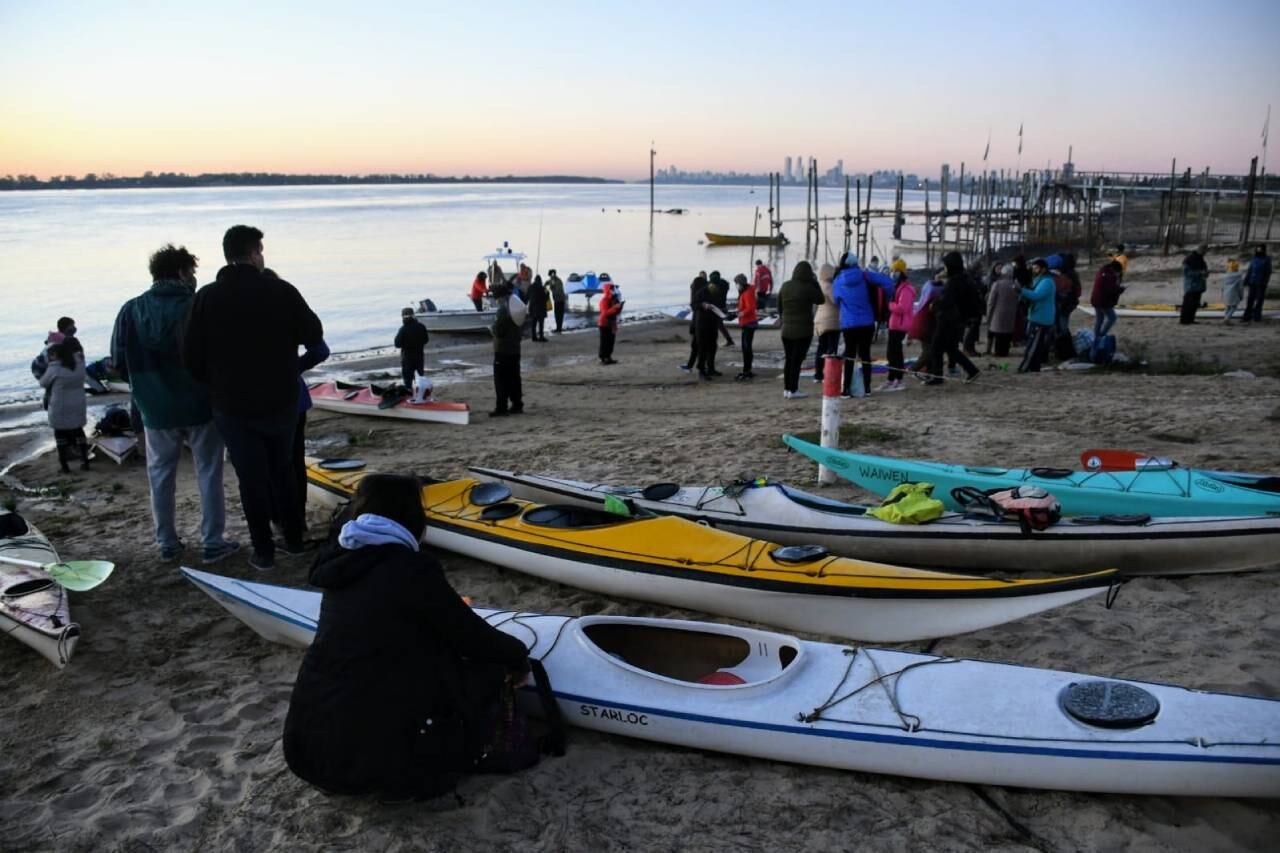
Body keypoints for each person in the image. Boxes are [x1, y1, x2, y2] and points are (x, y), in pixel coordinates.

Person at [282, 474, 538, 801]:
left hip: (308, 753)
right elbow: (472, 637)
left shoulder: (341, 561)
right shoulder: (410, 569)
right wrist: (517, 657)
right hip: (380, 768)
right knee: (482, 671)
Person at [182, 225, 325, 571]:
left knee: (251, 478)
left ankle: (263, 551)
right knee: (283, 472)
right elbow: (315, 336)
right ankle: (292, 539)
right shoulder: (281, 291)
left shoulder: (206, 297)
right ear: (254, 253)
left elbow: (189, 356)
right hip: (280, 399)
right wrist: (291, 367)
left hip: (232, 405)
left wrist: (216, 383)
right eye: (261, 251)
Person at [110, 243, 239, 563]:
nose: (195, 277)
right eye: (192, 271)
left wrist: (143, 388)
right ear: (182, 272)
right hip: (201, 403)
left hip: (155, 407)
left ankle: (167, 542)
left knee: (160, 475)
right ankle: (212, 541)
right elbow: (222, 355)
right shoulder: (198, 305)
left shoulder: (131, 309)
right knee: (209, 472)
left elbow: (117, 360)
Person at [833, 253, 894, 397]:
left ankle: (846, 389)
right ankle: (867, 388)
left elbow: (836, 301)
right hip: (867, 322)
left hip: (849, 323)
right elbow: (888, 283)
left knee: (849, 355)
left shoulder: (837, 280)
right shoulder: (865, 275)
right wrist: (889, 298)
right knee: (865, 355)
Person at [925, 252, 980, 385]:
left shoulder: (955, 282)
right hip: (958, 320)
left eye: (946, 266)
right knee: (951, 349)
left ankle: (937, 376)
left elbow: (946, 301)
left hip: (948, 319)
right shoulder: (965, 278)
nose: (945, 269)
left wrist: (934, 304)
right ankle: (972, 370)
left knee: (936, 347)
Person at [38, 342, 89, 473]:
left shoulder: (54, 368)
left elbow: (43, 383)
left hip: (60, 405)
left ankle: (64, 466)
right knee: (79, 431)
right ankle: (85, 461)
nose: (50, 358)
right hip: (78, 402)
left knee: (60, 434)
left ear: (56, 354)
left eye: (51, 355)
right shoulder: (79, 364)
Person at [777, 261, 824, 399]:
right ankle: (794, 389)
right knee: (797, 361)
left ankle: (787, 389)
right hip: (803, 330)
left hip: (786, 330)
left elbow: (779, 306)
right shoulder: (808, 287)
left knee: (789, 359)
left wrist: (783, 319)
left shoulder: (785, 286)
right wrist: (815, 283)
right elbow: (820, 300)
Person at [489, 280, 523, 416]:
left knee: (501, 380)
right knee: (514, 378)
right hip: (515, 348)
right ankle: (517, 404)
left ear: (499, 297)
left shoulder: (503, 310)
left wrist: (491, 328)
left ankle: (501, 407)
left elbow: (498, 331)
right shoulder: (515, 306)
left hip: (502, 350)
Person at [1018, 258, 1056, 372]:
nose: (1034, 270)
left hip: (1041, 317)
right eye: (1033, 268)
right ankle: (1034, 366)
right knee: (1036, 344)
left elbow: (1037, 295)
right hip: (1037, 315)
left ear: (1043, 269)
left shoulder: (1047, 281)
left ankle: (1027, 367)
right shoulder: (1040, 279)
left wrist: (1022, 291)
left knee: (1033, 345)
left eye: (1036, 268)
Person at [884, 269, 916, 391]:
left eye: (896, 272)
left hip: (900, 325)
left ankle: (898, 379)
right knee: (891, 353)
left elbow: (903, 307)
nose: (893, 274)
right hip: (895, 324)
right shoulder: (898, 287)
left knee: (895, 353)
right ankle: (891, 378)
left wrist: (890, 305)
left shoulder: (906, 289)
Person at [908, 272, 942, 378]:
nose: (941, 278)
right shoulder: (934, 290)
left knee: (928, 350)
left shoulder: (929, 287)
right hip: (926, 325)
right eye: (940, 276)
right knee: (929, 351)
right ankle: (912, 369)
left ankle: (929, 371)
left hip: (927, 324)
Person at [812, 263, 840, 383]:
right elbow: (835, 301)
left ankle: (818, 374)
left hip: (820, 320)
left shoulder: (819, 285)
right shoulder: (829, 286)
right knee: (831, 349)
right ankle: (827, 374)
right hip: (831, 321)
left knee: (821, 348)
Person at [1089, 260, 1124, 356]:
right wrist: (1120, 290)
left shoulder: (1102, 271)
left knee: (1099, 320)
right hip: (1103, 301)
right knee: (1112, 318)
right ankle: (1101, 335)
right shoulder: (1110, 276)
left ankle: (1096, 338)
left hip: (1096, 299)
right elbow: (1111, 290)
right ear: (1115, 269)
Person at [986, 263, 1021, 357]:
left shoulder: (997, 284)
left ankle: (998, 352)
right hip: (1011, 314)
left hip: (998, 314)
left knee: (999, 335)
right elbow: (1019, 298)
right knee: (1007, 335)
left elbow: (991, 302)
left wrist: (988, 314)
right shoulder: (1016, 285)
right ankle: (1005, 352)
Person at [691, 274, 722, 378]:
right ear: (710, 283)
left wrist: (724, 313)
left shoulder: (717, 292)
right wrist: (703, 305)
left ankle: (711, 368)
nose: (716, 288)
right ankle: (701, 371)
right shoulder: (701, 292)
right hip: (702, 324)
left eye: (717, 286)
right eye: (715, 285)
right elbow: (693, 305)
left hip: (713, 323)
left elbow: (720, 306)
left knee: (713, 347)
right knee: (702, 348)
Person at [394, 307, 430, 388]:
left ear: (403, 317)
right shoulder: (421, 326)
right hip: (419, 356)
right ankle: (420, 393)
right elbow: (426, 340)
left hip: (407, 358)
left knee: (408, 380)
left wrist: (406, 343)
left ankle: (410, 394)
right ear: (413, 315)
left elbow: (397, 344)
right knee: (420, 377)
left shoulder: (403, 329)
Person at [733, 274, 758, 380]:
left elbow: (750, 307)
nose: (736, 286)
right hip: (747, 322)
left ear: (740, 284)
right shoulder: (745, 291)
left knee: (746, 347)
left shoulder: (747, 292)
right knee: (746, 347)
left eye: (737, 284)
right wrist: (738, 310)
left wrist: (741, 313)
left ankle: (747, 370)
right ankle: (747, 369)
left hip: (749, 323)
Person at [1243, 245, 1272, 323]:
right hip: (1252, 281)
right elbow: (1250, 270)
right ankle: (1247, 316)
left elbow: (1268, 272)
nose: (1258, 251)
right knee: (1250, 300)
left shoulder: (1267, 259)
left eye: (1260, 250)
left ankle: (1257, 317)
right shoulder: (1254, 258)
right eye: (1257, 249)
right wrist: (1246, 280)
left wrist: (1265, 282)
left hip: (1261, 283)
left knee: (1259, 300)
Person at [597, 278, 623, 364]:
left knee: (611, 342)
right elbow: (605, 313)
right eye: (611, 289)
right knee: (605, 342)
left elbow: (615, 312)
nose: (613, 290)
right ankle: (603, 358)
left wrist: (620, 307)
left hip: (611, 324)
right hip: (604, 324)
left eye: (613, 289)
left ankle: (608, 357)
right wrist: (615, 308)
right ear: (608, 290)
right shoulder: (604, 300)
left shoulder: (613, 299)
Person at [1180, 245, 1209, 325]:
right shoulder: (1189, 259)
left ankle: (1191, 319)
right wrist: (1200, 273)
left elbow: (1204, 270)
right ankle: (1184, 320)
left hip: (1198, 286)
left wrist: (1205, 273)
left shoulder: (1201, 259)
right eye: (1204, 251)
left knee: (1194, 304)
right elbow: (1186, 273)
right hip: (1191, 286)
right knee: (1188, 304)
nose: (1205, 253)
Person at [708, 271, 735, 347]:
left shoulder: (715, 286)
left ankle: (715, 343)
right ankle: (729, 340)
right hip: (723, 307)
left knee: (714, 325)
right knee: (719, 325)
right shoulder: (724, 284)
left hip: (717, 309)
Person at [1222, 259, 1245, 323]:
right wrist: (1241, 296)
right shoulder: (1239, 277)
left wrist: (1222, 295)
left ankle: (1225, 317)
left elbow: (1222, 287)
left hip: (1226, 294)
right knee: (1233, 307)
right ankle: (1227, 318)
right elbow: (1241, 288)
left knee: (1227, 307)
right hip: (1234, 295)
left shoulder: (1225, 277)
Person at [527, 275, 548, 342]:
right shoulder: (541, 287)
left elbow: (527, 297)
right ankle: (541, 337)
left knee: (533, 324)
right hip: (540, 308)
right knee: (541, 324)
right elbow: (545, 298)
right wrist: (547, 294)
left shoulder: (530, 287)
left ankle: (534, 337)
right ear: (540, 280)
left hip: (532, 308)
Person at [546, 269, 567, 333]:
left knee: (559, 315)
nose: (550, 277)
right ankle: (558, 328)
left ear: (553, 274)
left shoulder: (558, 281)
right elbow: (548, 282)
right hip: (556, 300)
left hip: (560, 300)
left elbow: (558, 291)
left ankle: (559, 328)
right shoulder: (552, 280)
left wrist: (552, 288)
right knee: (556, 314)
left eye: (550, 275)